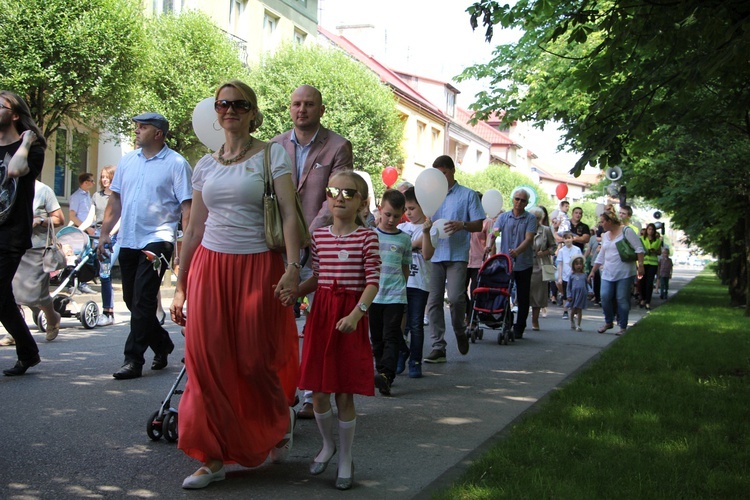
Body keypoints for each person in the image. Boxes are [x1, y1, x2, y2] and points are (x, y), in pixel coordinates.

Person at [169, 80, 300, 490]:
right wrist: (181, 284)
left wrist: (293, 267)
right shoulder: (204, 165)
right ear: (216, 112)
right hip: (210, 266)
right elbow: (192, 230)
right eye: (223, 104)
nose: (230, 110)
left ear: (252, 111)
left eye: (238, 104)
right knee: (206, 362)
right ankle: (211, 457)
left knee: (253, 361)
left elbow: (291, 215)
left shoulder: (271, 155)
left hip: (258, 267)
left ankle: (278, 420)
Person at [281, 170, 380, 491]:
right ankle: (327, 444)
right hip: (322, 315)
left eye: (349, 193)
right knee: (319, 391)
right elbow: (319, 277)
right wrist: (296, 291)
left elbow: (373, 282)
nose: (340, 197)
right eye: (334, 191)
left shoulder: (367, 237)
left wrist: (356, 314)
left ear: (362, 204)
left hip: (349, 317)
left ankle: (346, 457)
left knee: (344, 391)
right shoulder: (319, 236)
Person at [272, 84, 353, 420]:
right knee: (277, 315)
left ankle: (311, 393)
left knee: (316, 320)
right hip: (277, 243)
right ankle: (279, 387)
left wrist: (307, 233)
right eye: (296, 104)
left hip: (320, 244)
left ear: (321, 109)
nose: (301, 110)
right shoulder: (274, 145)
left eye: (308, 104)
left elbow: (336, 195)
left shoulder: (337, 146)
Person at [98, 112, 192, 380]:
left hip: (158, 239)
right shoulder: (127, 161)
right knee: (131, 299)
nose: (137, 131)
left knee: (143, 298)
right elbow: (115, 201)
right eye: (136, 127)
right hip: (128, 238)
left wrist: (184, 246)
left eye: (143, 127)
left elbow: (187, 208)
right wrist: (105, 233)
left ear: (159, 133)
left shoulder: (176, 163)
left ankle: (133, 359)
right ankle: (162, 344)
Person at [0, 90, 45, 376]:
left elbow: (15, 171)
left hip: (11, 234)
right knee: (2, 298)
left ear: (15, 114)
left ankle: (28, 351)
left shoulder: (32, 148)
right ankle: (28, 352)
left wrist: (26, 139)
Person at [423, 156, 484, 363]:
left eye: (444, 173)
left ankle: (459, 329)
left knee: (457, 298)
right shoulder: (431, 195)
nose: (440, 178)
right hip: (435, 254)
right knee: (433, 302)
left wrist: (462, 225)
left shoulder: (467, 195)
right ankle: (438, 346)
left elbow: (479, 224)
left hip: (457, 254)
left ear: (452, 171)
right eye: (437, 174)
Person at [6, 180, 64, 345]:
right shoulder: (9, 187)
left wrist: (40, 221)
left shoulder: (43, 190)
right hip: (11, 247)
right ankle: (15, 331)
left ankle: (52, 317)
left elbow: (59, 219)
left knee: (37, 295)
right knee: (9, 292)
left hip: (35, 249)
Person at [369, 189, 411, 395]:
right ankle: (380, 370)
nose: (391, 219)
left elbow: (405, 266)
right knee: (376, 337)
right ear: (380, 209)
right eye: (387, 214)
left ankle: (386, 374)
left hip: (395, 295)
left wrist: (401, 287)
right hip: (373, 295)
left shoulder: (405, 239)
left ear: (402, 213)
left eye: (396, 216)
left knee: (391, 335)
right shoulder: (370, 236)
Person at [397, 187, 435, 378]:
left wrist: (425, 236)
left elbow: (427, 254)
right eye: (406, 209)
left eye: (412, 208)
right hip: (400, 282)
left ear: (423, 206)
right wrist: (413, 245)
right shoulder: (402, 228)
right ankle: (402, 351)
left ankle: (415, 361)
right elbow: (399, 249)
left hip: (419, 282)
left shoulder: (429, 228)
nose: (408, 213)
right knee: (398, 324)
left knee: (416, 323)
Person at [588, 210, 645, 336]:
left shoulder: (627, 231)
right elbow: (601, 254)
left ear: (609, 221)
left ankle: (623, 326)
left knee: (622, 299)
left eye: (603, 221)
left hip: (624, 273)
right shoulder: (605, 235)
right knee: (605, 296)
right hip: (608, 272)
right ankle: (609, 322)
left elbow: (639, 248)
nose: (601, 224)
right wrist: (593, 271)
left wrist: (640, 266)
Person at [492, 188, 537, 339]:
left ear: (526, 203)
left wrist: (518, 251)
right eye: (517, 199)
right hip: (506, 263)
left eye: (522, 200)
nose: (519, 202)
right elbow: (495, 233)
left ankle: (520, 327)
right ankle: (507, 321)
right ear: (513, 199)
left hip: (523, 263)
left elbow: (529, 238)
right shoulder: (504, 217)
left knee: (523, 296)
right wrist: (489, 244)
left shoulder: (530, 219)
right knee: (503, 294)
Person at [80, 166, 119, 326]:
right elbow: (90, 218)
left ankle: (108, 312)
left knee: (105, 273)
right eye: (102, 177)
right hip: (98, 236)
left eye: (107, 177)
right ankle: (107, 311)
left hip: (113, 238)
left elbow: (120, 218)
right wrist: (77, 230)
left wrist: (109, 233)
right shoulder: (97, 196)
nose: (104, 179)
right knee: (101, 273)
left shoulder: (118, 196)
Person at [528, 206, 556, 331]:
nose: (535, 220)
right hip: (526, 264)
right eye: (533, 218)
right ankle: (522, 320)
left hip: (539, 265)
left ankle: (535, 319)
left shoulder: (546, 230)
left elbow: (553, 247)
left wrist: (544, 252)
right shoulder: (525, 228)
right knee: (525, 293)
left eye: (538, 218)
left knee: (538, 295)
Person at [556, 232, 583, 321]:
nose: (568, 240)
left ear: (572, 239)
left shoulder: (577, 249)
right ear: (563, 240)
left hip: (575, 275)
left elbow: (581, 261)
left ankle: (574, 309)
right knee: (565, 294)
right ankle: (565, 311)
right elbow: (560, 264)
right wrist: (559, 277)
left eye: (569, 238)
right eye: (566, 238)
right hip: (565, 275)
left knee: (574, 293)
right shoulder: (561, 251)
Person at [640, 223, 662, 310]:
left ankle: (648, 301)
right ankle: (643, 298)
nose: (650, 231)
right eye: (649, 229)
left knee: (649, 283)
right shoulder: (642, 239)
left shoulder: (657, 241)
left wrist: (654, 251)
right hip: (643, 263)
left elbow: (659, 252)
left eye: (652, 229)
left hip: (653, 264)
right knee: (642, 282)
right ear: (646, 230)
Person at [566, 256, 588, 331]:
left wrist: (590, 291)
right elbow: (568, 287)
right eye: (576, 264)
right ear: (573, 266)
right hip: (574, 295)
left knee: (579, 310)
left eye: (580, 264)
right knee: (573, 309)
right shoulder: (572, 276)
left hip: (582, 294)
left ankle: (578, 324)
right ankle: (572, 321)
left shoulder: (584, 275)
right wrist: (569, 295)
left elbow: (587, 284)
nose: (578, 266)